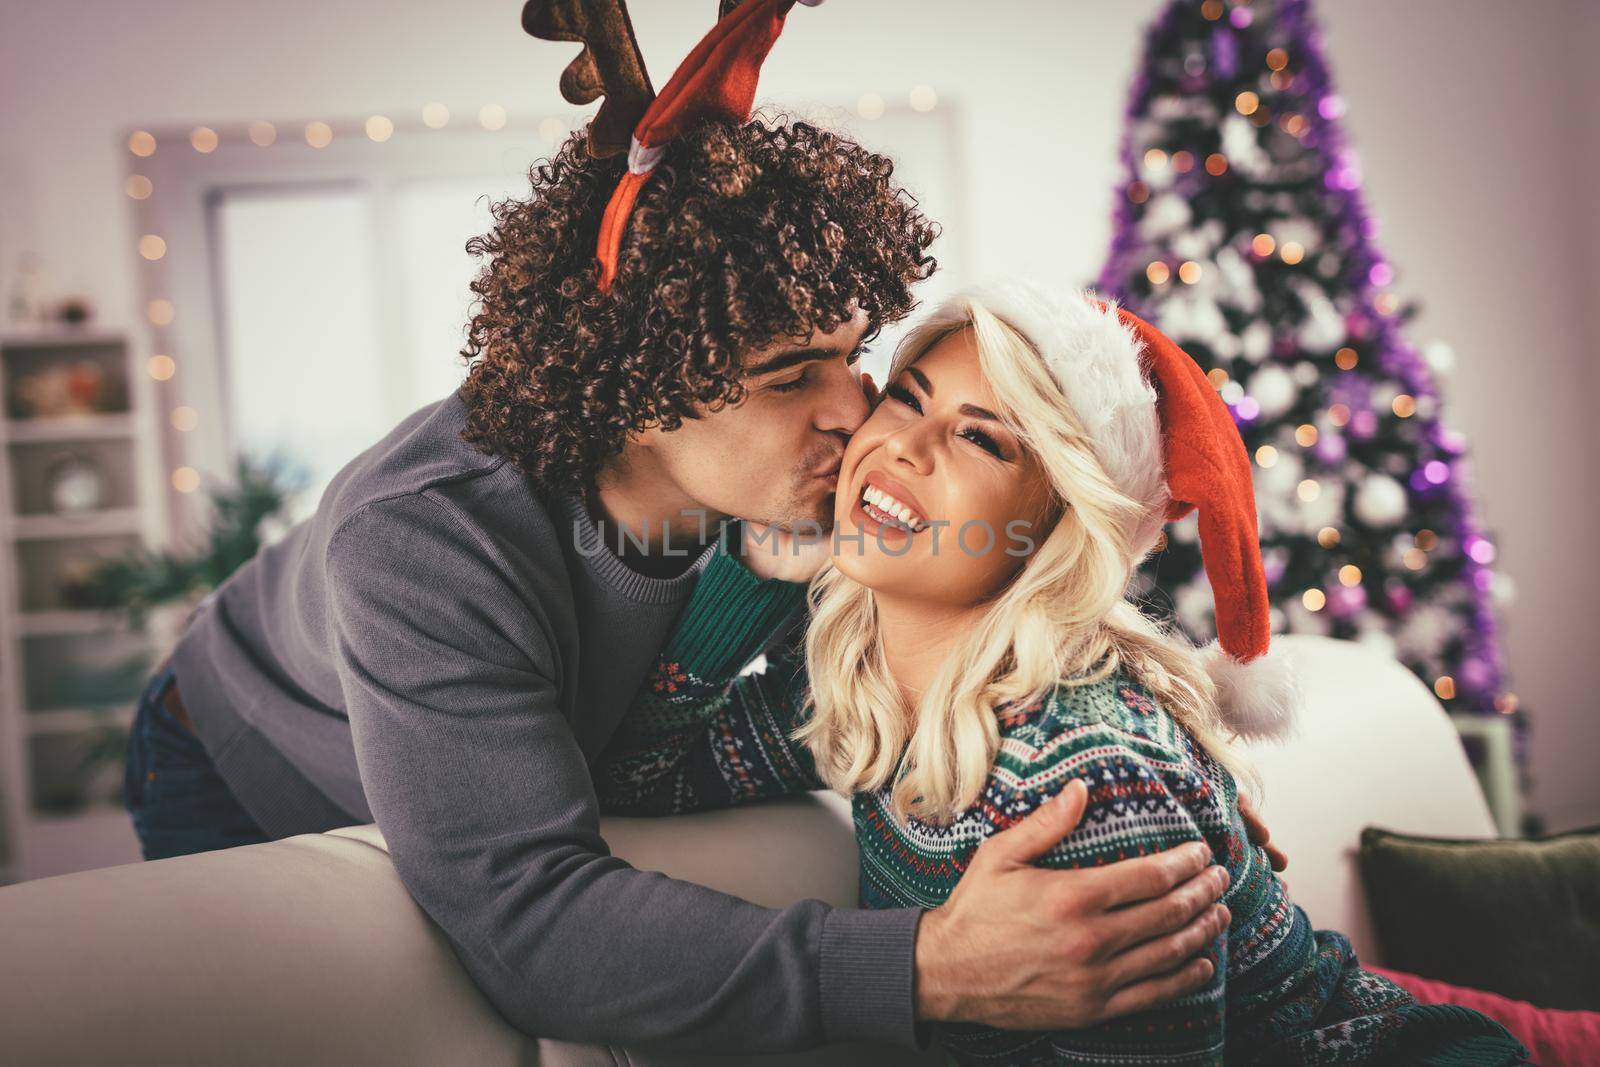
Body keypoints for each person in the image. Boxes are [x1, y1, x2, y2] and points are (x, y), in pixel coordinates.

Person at [118, 89, 1252, 1067]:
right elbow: (530, 920)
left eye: (854, 352)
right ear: (635, 384)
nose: (858, 411)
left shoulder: (791, 483)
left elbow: (976, 609)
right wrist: (926, 966)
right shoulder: (421, 542)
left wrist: (1160, 766)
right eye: (790, 374)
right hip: (241, 752)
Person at [592, 282, 1533, 1065]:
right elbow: (638, 777)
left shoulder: (1083, 773)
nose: (904, 447)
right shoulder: (853, 679)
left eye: (982, 438)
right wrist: (756, 571)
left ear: (1051, 527)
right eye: (909, 397)